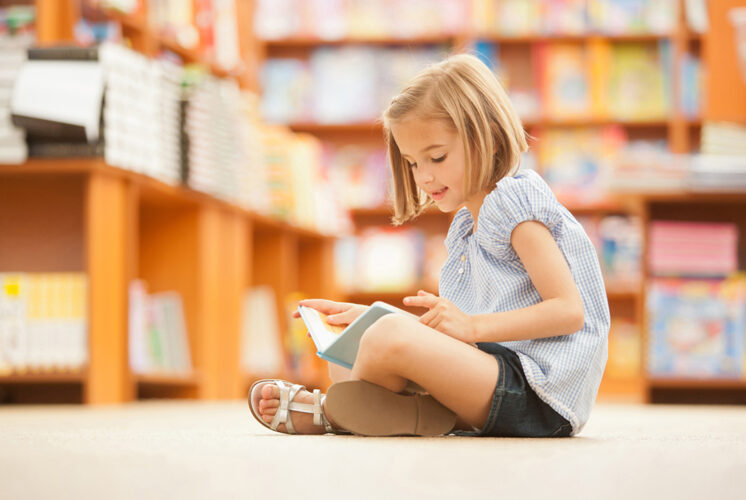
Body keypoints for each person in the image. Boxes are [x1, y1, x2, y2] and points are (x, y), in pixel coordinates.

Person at [248, 53, 610, 438]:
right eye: (412, 163)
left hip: (539, 394)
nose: (424, 176)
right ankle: (417, 415)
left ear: (483, 135)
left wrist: (467, 326)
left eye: (436, 157)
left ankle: (328, 414)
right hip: (495, 375)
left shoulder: (514, 203)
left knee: (384, 339)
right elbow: (458, 335)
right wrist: (369, 317)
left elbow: (569, 311)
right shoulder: (469, 225)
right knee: (348, 347)